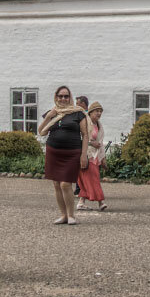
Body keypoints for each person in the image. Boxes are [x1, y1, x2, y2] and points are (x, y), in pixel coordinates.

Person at [38, 86, 89, 225]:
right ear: (56, 97)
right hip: (53, 151)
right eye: (60, 96)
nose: (63, 99)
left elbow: (85, 135)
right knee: (56, 184)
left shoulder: (78, 113)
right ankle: (63, 215)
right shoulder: (52, 112)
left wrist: (84, 155)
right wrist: (49, 116)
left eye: (66, 96)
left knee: (66, 184)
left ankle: (71, 215)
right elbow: (41, 131)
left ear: (70, 97)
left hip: (72, 153)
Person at [77, 102, 108, 212]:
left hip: (95, 156)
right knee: (93, 179)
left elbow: (100, 143)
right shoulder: (85, 123)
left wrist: (103, 158)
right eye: (97, 111)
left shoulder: (99, 125)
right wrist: (91, 143)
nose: (99, 113)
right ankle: (101, 202)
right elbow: (80, 139)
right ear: (90, 112)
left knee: (88, 179)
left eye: (100, 111)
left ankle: (81, 202)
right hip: (86, 155)